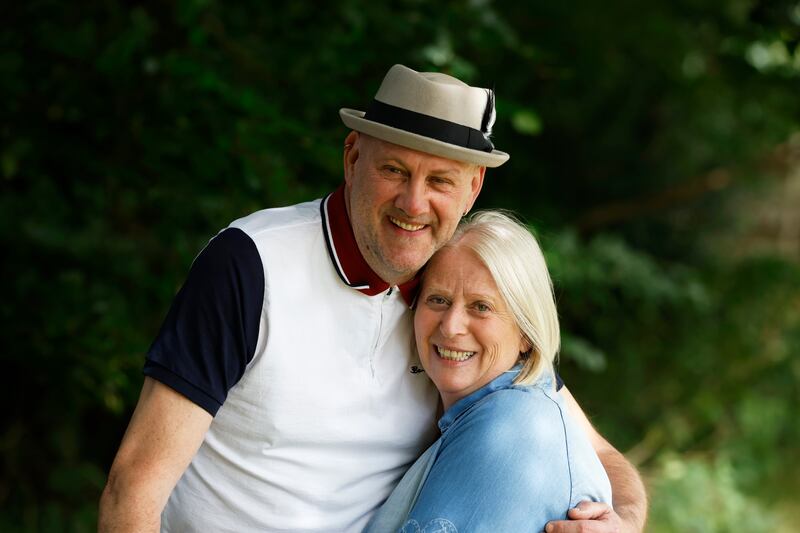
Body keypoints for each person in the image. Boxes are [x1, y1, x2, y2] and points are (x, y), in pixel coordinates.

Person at [98, 64, 646, 532]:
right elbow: (135, 486)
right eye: (394, 170)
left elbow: (597, 453)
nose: (414, 202)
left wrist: (621, 521)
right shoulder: (250, 264)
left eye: (440, 181)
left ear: (473, 188)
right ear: (353, 155)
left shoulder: (455, 303)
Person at [365, 210, 612, 532]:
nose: (451, 326)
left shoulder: (512, 429)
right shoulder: (519, 398)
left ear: (526, 332)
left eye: (481, 307)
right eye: (438, 299)